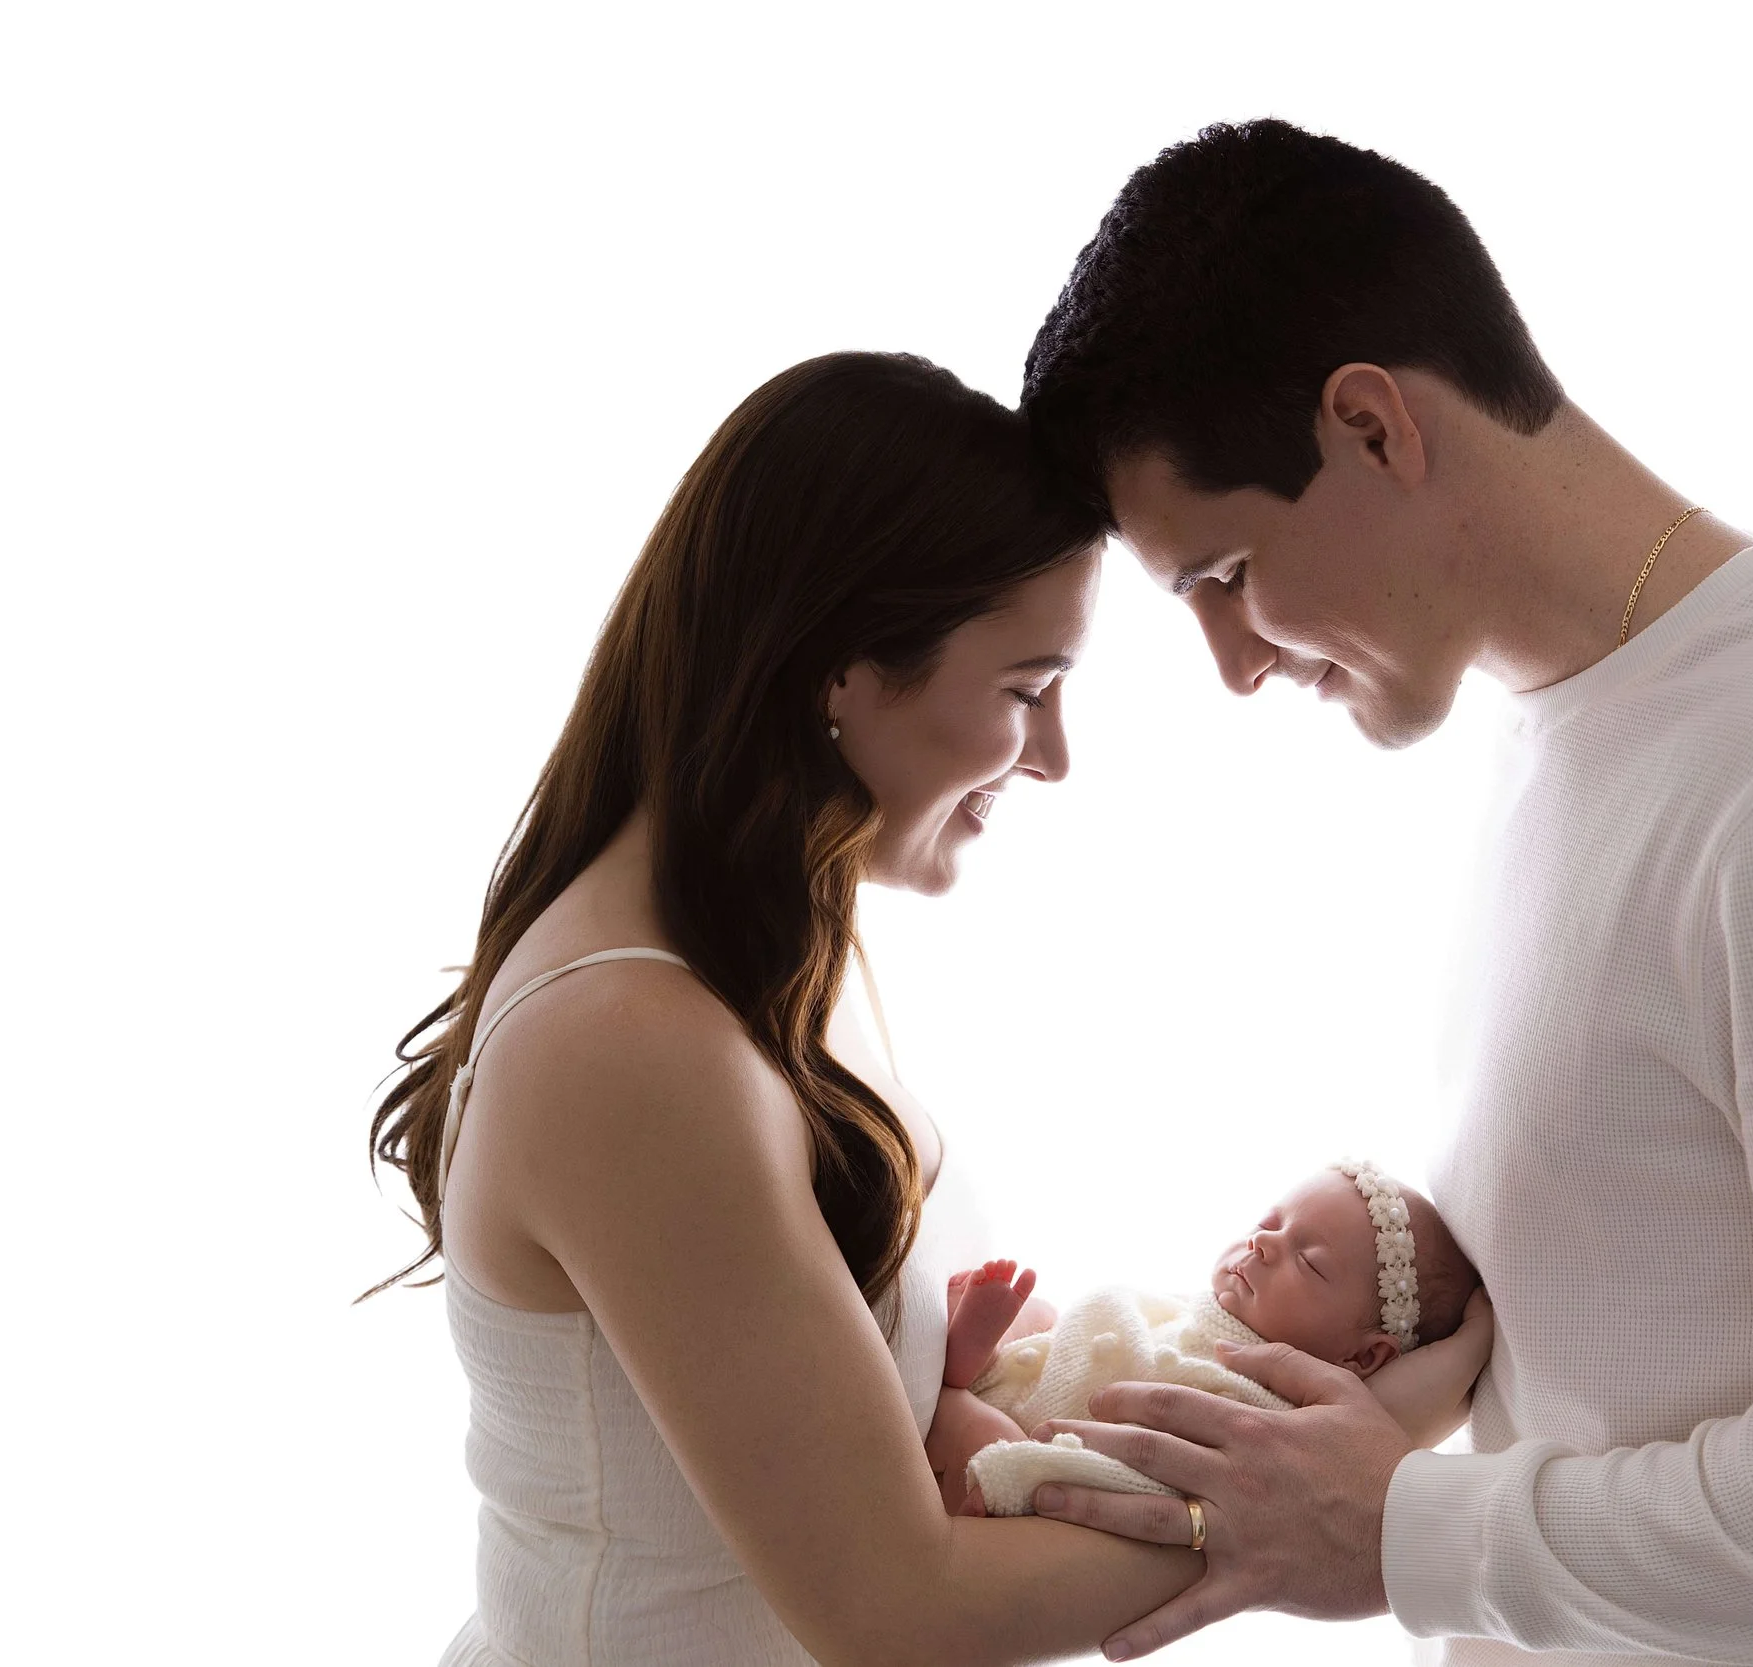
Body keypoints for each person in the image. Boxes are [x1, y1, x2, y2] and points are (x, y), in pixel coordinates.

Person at [1011, 121, 1753, 1666]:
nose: (1238, 664)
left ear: (1372, 427)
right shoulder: (1570, 738)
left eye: (1221, 576)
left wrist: (1405, 1532)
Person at [362, 348, 1500, 1666]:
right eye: (1027, 688)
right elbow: (898, 1607)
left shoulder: (779, 944)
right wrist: (1351, 1476)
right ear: (843, 672)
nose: (1058, 757)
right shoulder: (633, 1043)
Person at [933, 1163, 1480, 1517]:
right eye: (1270, 1223)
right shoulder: (1196, 1308)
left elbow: (1152, 1481)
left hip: (1028, 1449)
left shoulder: (1265, 1412)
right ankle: (975, 1359)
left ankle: (965, 1383)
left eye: (1309, 1262)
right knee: (1043, 1312)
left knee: (984, 1428)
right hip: (1043, 1371)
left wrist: (1024, 1476)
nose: (1263, 1242)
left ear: (1361, 1355)